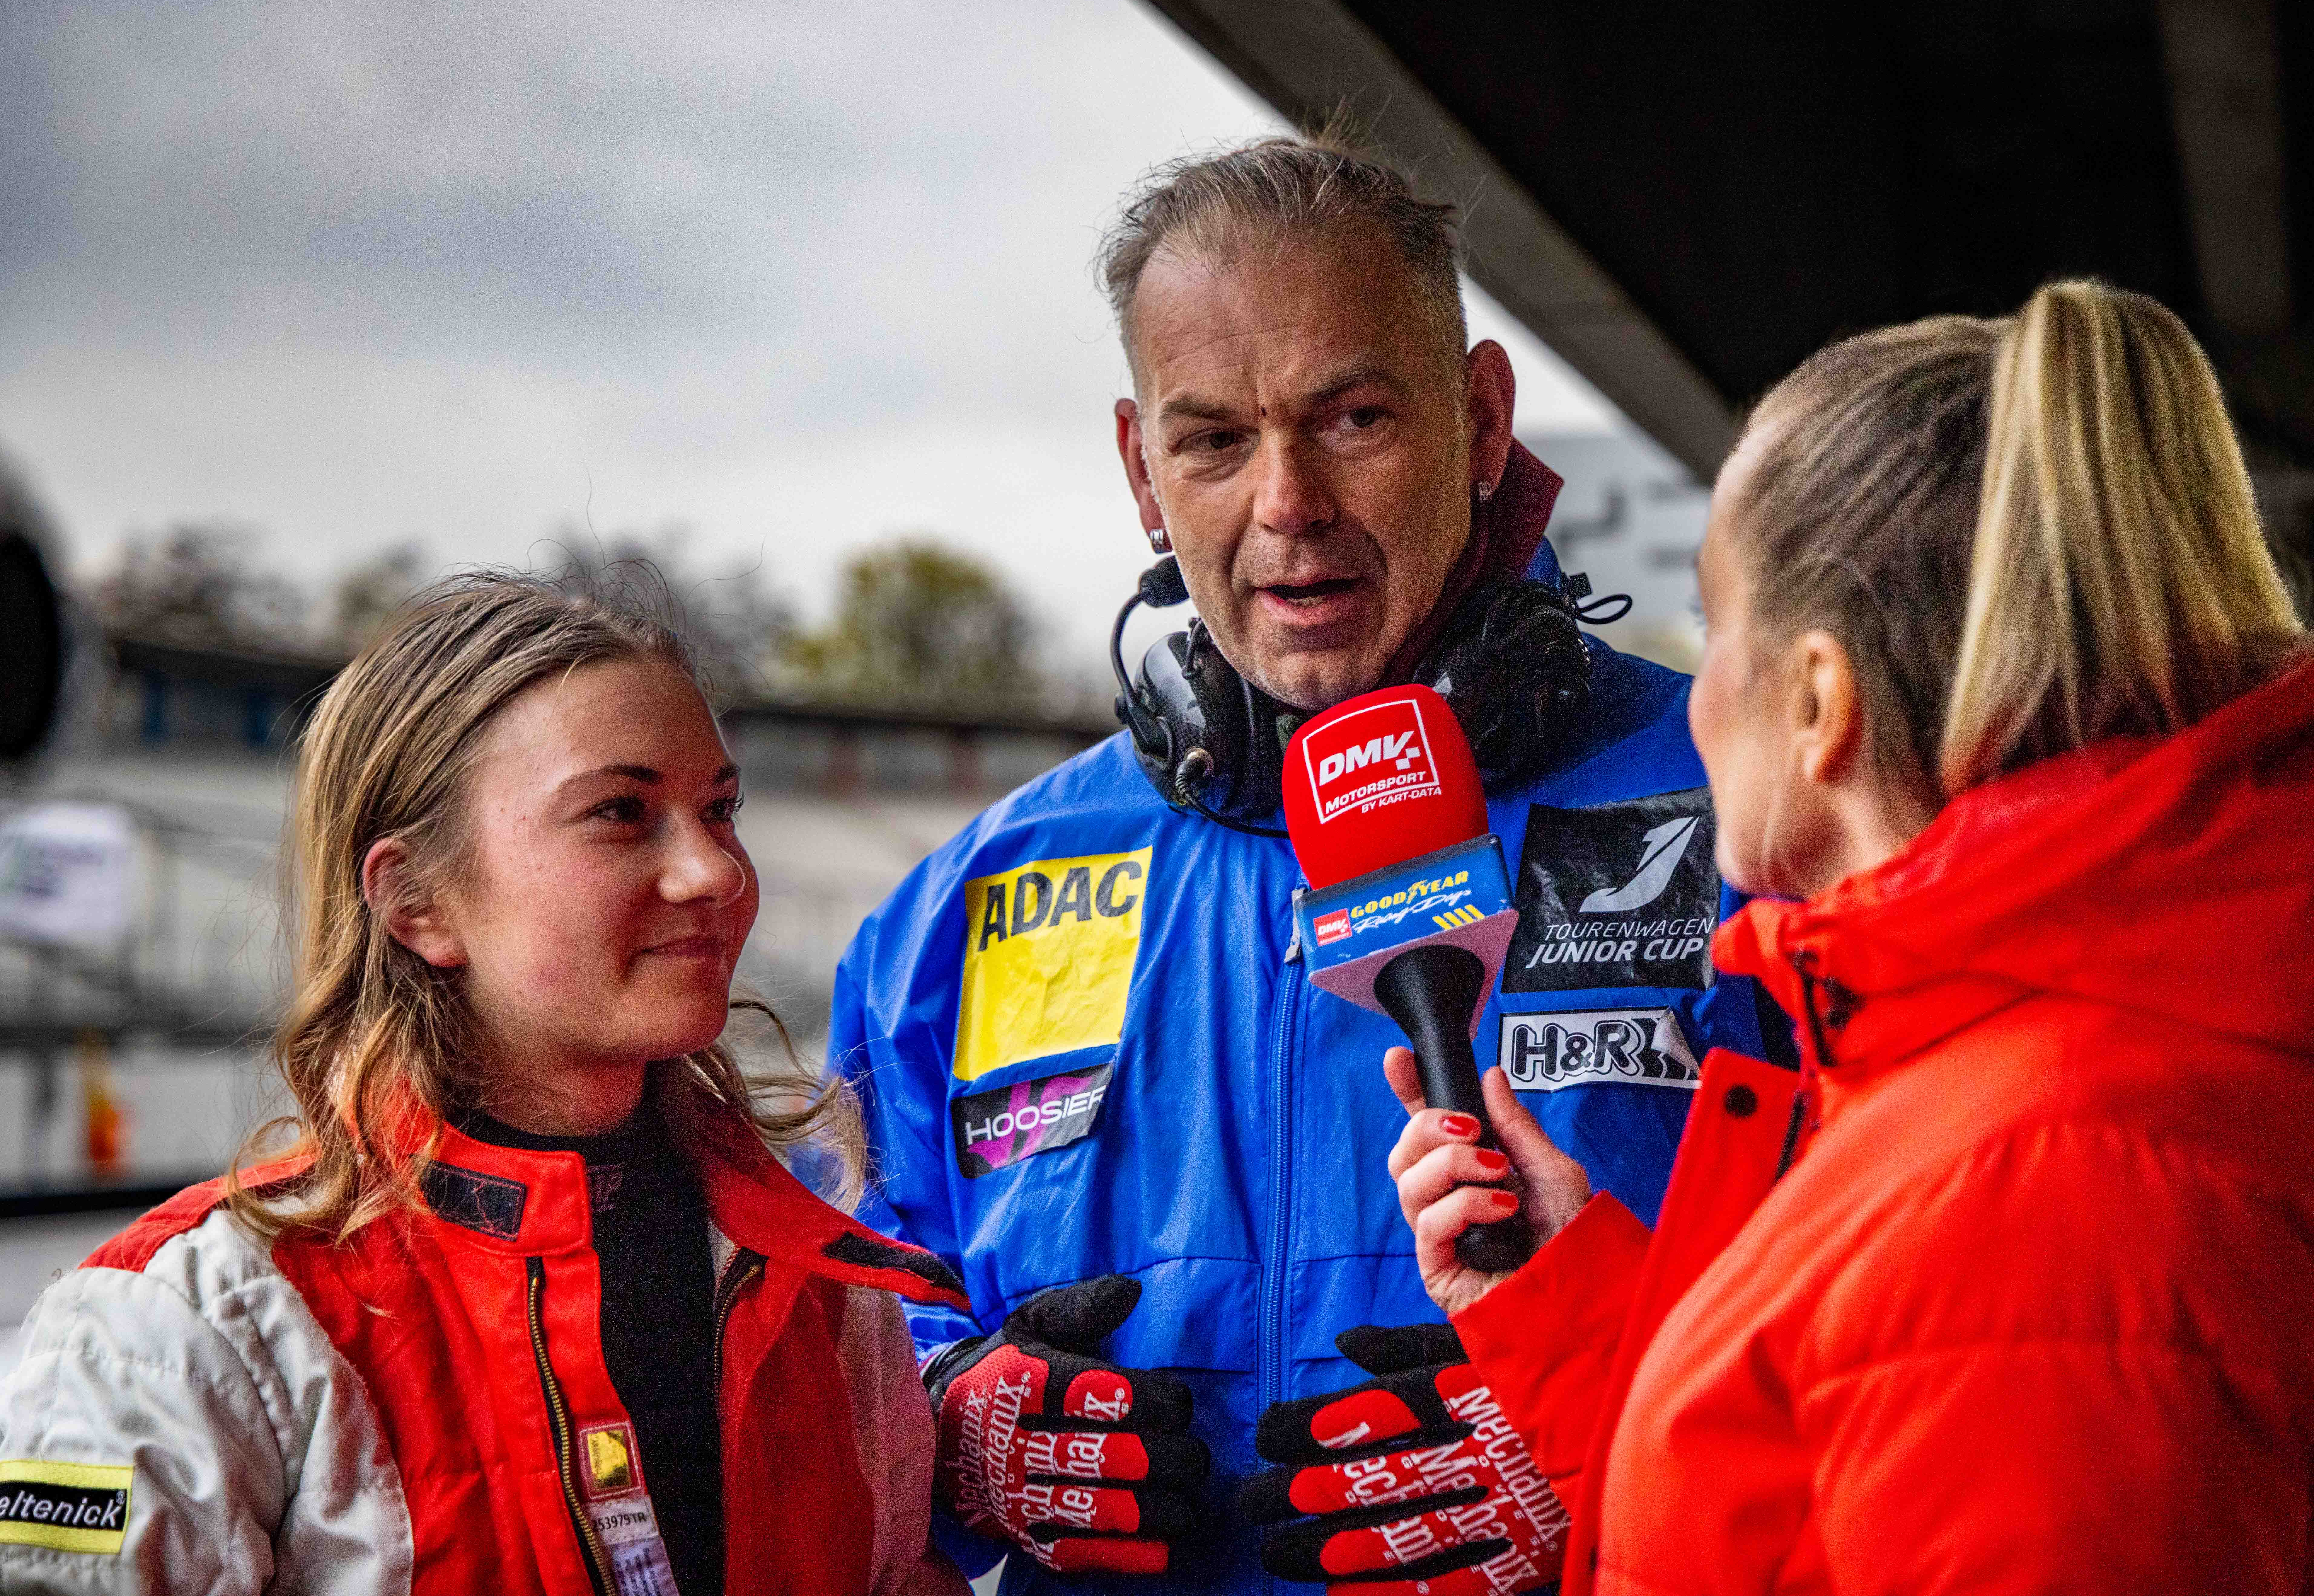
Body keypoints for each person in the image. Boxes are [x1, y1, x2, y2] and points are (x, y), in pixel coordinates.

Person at [811, 128, 1788, 1596]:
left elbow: (1919, 1308)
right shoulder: (964, 903)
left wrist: (1609, 1428)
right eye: (1214, 440)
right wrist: (948, 1427)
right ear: (1145, 471)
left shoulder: (1762, 818)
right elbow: (841, 1309)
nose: (1285, 504)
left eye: (1348, 418)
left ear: (1477, 417)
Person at [1389, 280, 2314, 1593]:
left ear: (1816, 701)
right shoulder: (2041, 1077)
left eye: (1719, 622)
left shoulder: (2055, 1182)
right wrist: (1567, 1303)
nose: (1694, 694)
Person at [0, 573, 971, 1596]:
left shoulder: (825, 1289)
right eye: (620, 812)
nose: (717, 873)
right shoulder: (186, 1328)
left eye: (720, 808)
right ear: (416, 901)